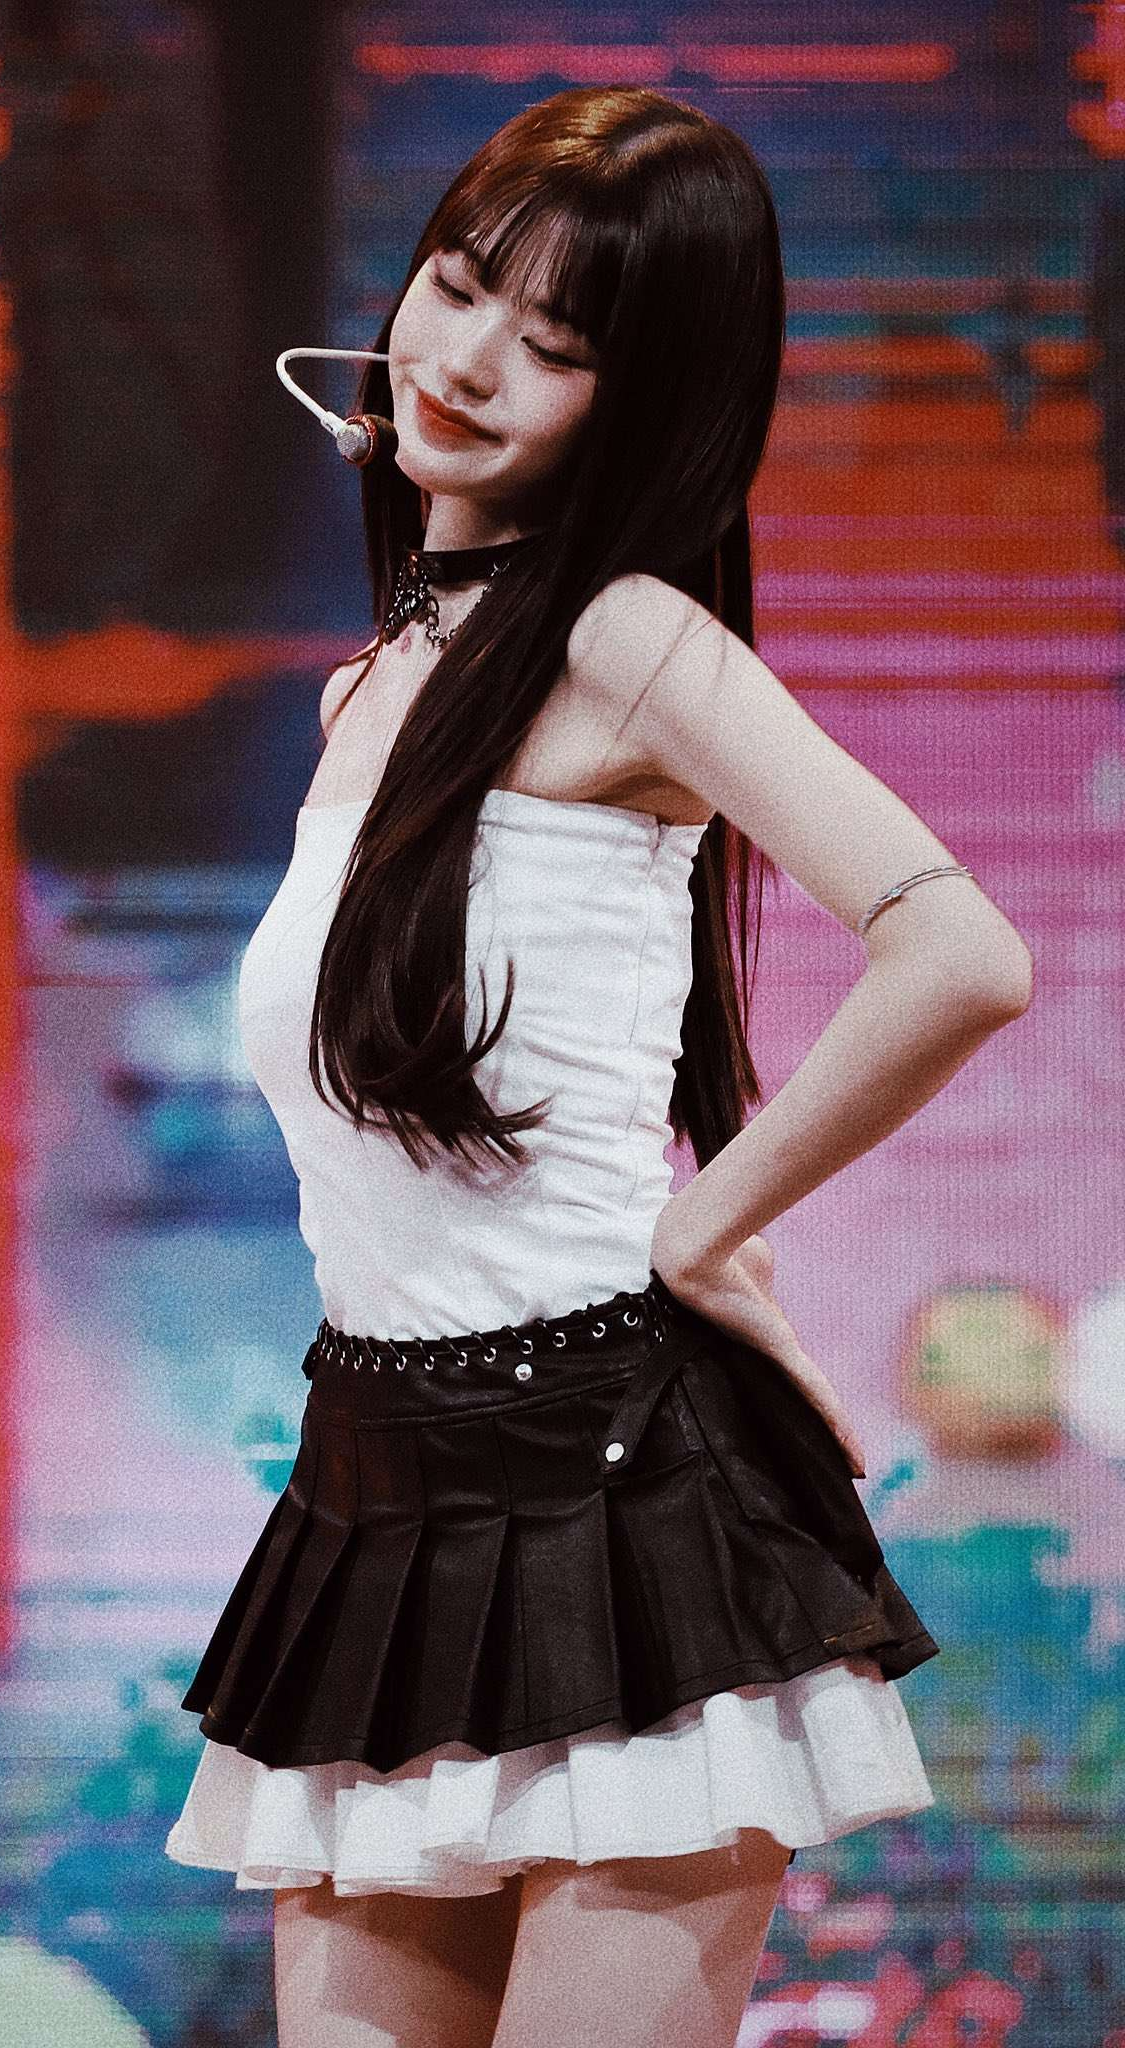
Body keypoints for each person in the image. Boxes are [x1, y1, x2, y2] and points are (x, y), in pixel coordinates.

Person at [163, 83, 1033, 2048]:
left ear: (647, 399)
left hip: (621, 1488)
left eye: (556, 341)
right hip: (377, 1491)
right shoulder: (372, 683)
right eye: (461, 285)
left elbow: (962, 951)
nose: (469, 359)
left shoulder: (629, 639)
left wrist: (706, 1224)